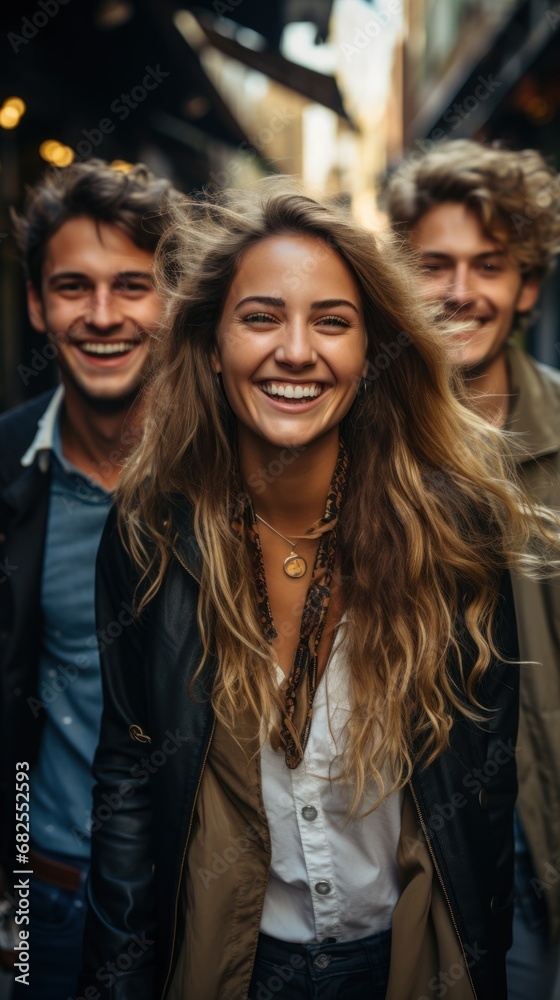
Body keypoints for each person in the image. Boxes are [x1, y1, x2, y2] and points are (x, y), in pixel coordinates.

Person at [77, 182, 555, 1000]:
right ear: (211, 341)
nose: (295, 351)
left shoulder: (453, 534)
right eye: (261, 317)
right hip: (230, 965)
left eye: (331, 322)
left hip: (405, 964)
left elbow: (480, 806)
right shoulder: (152, 530)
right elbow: (127, 778)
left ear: (372, 351)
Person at [0, 158, 182, 999]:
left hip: (204, 899)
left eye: (131, 286)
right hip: (46, 895)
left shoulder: (238, 475)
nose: (102, 315)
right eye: (73, 287)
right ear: (38, 306)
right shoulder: (9, 468)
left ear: (172, 303)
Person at [385, 138, 560, 1000]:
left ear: (527, 286)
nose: (460, 291)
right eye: (434, 265)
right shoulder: (360, 443)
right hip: (409, 857)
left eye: (488, 265)